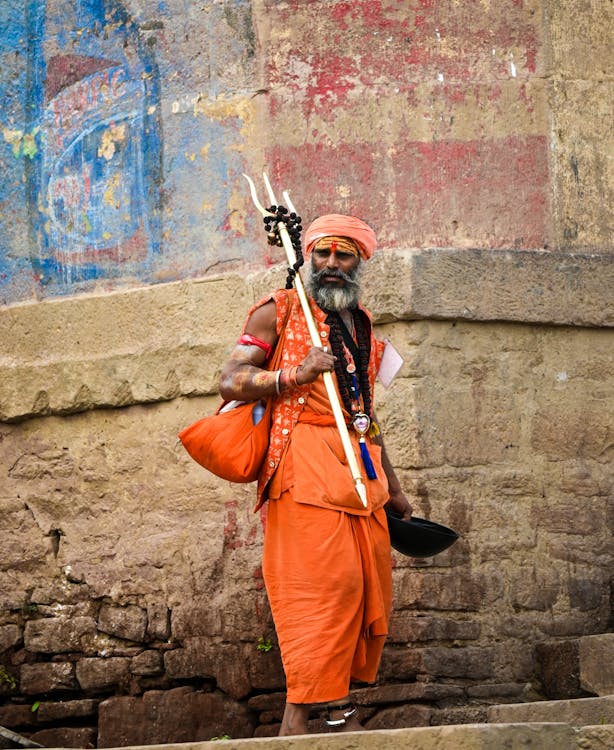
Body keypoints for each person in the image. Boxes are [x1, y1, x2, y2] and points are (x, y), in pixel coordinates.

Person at [219, 213, 413, 736]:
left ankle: (337, 711)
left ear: (359, 263)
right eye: (322, 254)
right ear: (306, 258)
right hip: (300, 463)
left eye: (343, 255)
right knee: (321, 588)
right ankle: (296, 720)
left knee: (363, 590)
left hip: (360, 471)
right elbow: (230, 381)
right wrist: (292, 374)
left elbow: (366, 413)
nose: (331, 265)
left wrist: (393, 486)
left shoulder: (365, 327)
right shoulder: (276, 311)